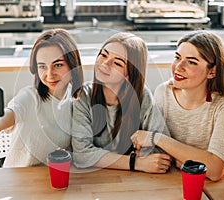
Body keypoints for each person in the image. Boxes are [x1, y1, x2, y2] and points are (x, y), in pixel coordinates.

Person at [0, 29, 84, 167]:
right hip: (19, 180)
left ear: (73, 65)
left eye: (58, 65)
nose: (49, 74)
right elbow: (0, 122)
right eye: (42, 66)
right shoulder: (29, 97)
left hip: (50, 179)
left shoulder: (76, 101)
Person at [131, 30, 224, 181]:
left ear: (212, 72)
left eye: (191, 62)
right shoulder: (163, 93)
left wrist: (157, 138)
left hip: (210, 187)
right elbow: (156, 153)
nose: (178, 67)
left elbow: (215, 170)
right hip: (171, 179)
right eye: (178, 57)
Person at [71, 32, 172, 173]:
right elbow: (81, 155)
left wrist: (143, 157)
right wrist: (135, 162)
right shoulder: (83, 96)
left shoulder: (142, 96)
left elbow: (162, 145)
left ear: (129, 74)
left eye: (117, 62)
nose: (105, 64)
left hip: (133, 181)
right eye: (104, 55)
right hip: (95, 178)